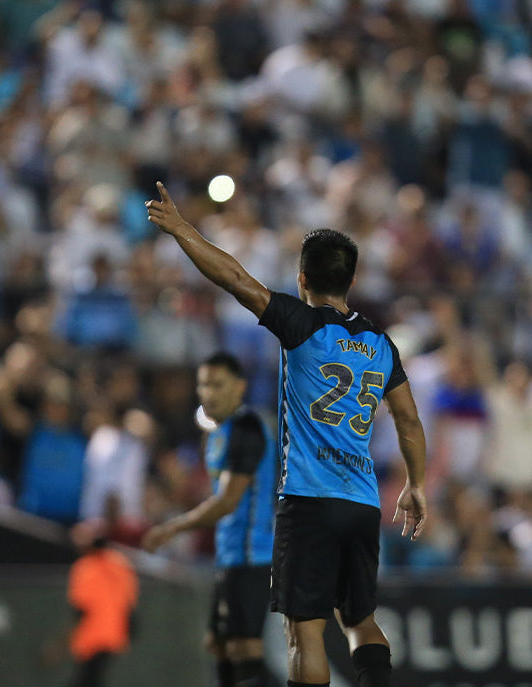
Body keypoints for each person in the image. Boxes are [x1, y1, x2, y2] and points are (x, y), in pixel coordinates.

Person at [147, 183, 428, 687]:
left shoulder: (301, 325)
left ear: (302, 279)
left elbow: (235, 279)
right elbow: (408, 420)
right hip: (362, 502)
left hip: (309, 499)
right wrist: (416, 483)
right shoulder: (382, 345)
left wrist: (182, 229)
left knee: (304, 631)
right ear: (352, 280)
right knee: (361, 621)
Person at [143, 352, 277, 687]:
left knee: (244, 648)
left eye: (218, 384)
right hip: (229, 553)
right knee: (218, 644)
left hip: (252, 554)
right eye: (204, 385)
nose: (209, 392)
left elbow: (229, 500)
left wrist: (174, 526)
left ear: (239, 387)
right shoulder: (220, 430)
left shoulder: (247, 429)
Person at [66, 522, 139, 687]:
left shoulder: (85, 567)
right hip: (115, 635)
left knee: (86, 680)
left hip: (90, 637)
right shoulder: (120, 563)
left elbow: (80, 609)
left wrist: (63, 642)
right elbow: (130, 602)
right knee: (93, 679)